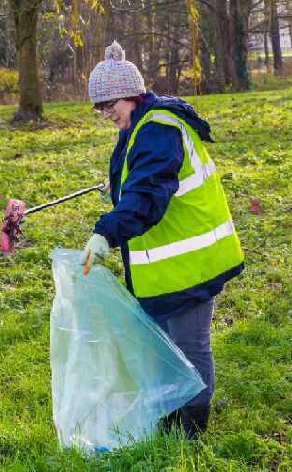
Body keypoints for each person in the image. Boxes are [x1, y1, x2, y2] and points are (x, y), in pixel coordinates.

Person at [81, 41, 245, 439]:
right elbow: (144, 177)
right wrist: (118, 184)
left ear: (131, 95)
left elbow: (149, 194)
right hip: (169, 266)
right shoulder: (142, 123)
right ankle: (171, 414)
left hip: (191, 260)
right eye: (99, 109)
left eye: (109, 105)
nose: (106, 115)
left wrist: (107, 230)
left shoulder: (157, 128)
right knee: (163, 347)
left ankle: (191, 430)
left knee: (189, 347)